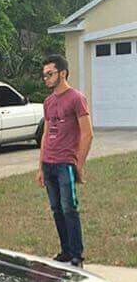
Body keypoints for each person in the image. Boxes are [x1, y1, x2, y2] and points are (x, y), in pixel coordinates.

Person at [36, 54, 93, 268]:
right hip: (49, 163)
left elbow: (88, 133)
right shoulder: (48, 102)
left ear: (63, 73)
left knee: (70, 207)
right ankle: (66, 251)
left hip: (65, 162)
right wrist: (40, 166)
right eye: (44, 75)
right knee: (56, 208)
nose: (46, 79)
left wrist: (78, 164)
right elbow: (45, 134)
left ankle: (77, 255)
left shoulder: (76, 98)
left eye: (50, 74)